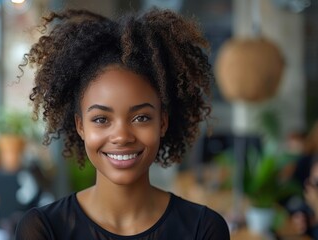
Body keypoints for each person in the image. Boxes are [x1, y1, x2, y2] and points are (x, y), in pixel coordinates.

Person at [15, 8, 230, 240]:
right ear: (80, 126)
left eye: (141, 118)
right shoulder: (44, 229)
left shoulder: (204, 229)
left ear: (163, 122)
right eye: (101, 119)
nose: (122, 135)